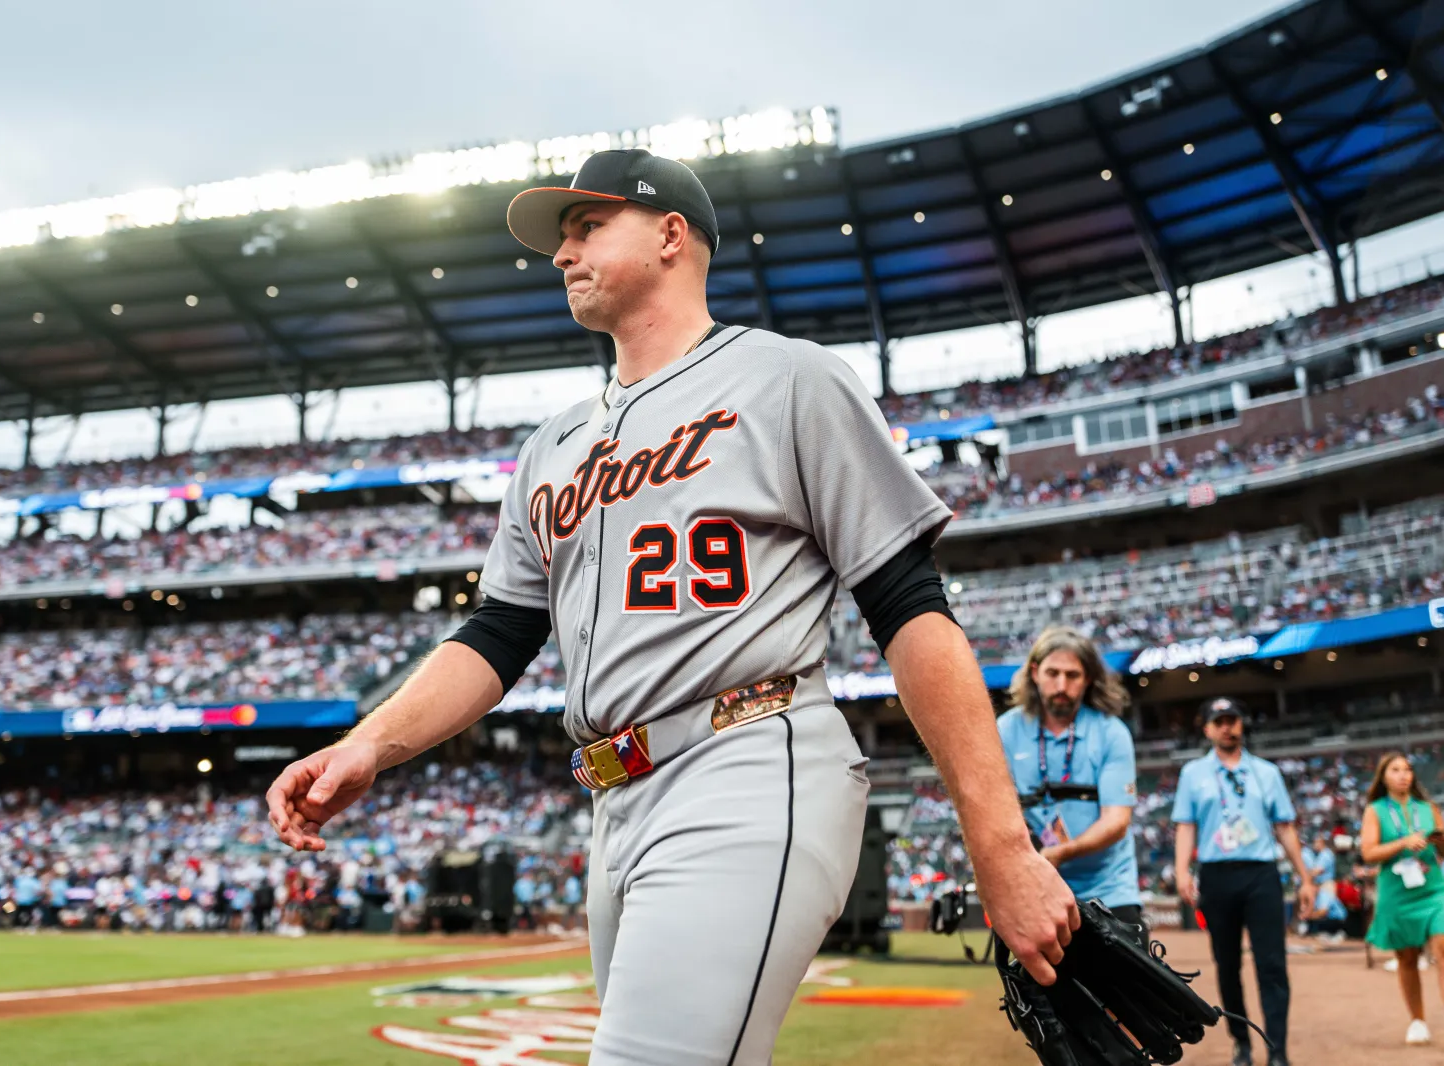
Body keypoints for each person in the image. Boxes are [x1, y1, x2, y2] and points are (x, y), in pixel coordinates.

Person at [267, 149, 1079, 1065]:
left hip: (747, 761)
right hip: (614, 801)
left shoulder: (786, 379)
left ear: (668, 236)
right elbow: (496, 634)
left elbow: (909, 608)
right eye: (559, 239)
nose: (560, 255)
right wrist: (367, 743)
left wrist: (1001, 846)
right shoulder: (550, 448)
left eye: (585, 228)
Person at [1173, 697, 1317, 1066]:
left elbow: (1284, 827)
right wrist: (1181, 871)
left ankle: (1277, 1050)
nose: (1226, 727)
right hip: (1217, 875)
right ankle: (1241, 1042)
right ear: (1206, 728)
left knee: (1272, 964)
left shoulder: (1266, 772)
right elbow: (1186, 825)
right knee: (1228, 964)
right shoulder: (1193, 773)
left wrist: (1304, 877)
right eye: (1218, 721)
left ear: (1241, 725)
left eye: (1232, 720)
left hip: (1260, 873)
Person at [998, 627, 1142, 931]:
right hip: (1039, 888)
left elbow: (1116, 822)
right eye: (1053, 673)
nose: (1061, 685)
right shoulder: (1006, 731)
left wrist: (1060, 852)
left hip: (1111, 891)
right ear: (1035, 673)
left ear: (1087, 678)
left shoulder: (1111, 732)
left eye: (1072, 675)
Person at [1359, 751, 1444, 1046]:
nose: (1403, 774)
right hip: (1397, 892)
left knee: (1443, 945)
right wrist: (1404, 842)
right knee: (1407, 958)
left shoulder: (1428, 808)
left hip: (1434, 889)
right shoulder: (1375, 810)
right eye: (1395, 770)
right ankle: (1418, 1021)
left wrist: (1441, 839)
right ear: (1384, 777)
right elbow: (1368, 853)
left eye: (1407, 769)